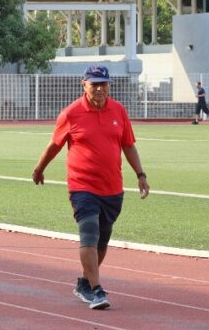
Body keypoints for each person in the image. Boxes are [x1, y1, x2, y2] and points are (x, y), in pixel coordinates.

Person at [32, 65, 150, 310]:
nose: (99, 88)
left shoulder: (118, 111)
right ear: (83, 84)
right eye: (94, 83)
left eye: (103, 84)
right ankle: (97, 290)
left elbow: (128, 145)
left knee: (102, 241)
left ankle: (84, 283)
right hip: (82, 185)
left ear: (109, 85)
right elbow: (54, 145)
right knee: (89, 232)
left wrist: (140, 174)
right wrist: (39, 168)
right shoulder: (71, 113)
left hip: (112, 188)